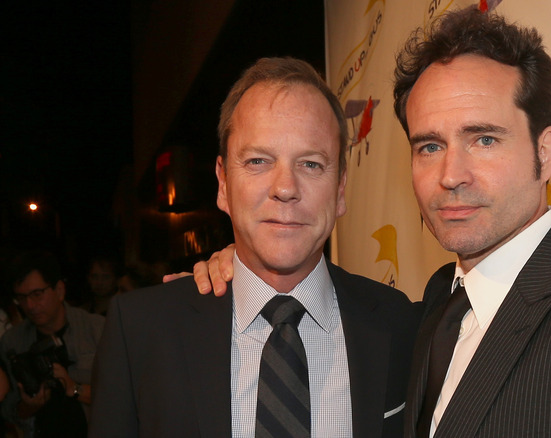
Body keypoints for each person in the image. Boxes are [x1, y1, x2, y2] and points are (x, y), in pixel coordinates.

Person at [192, 7, 551, 437]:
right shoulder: (436, 307)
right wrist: (247, 270)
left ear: (546, 151)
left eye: (484, 139)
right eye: (430, 145)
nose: (451, 174)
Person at [89, 57, 421, 437]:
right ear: (223, 184)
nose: (285, 188)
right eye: (259, 161)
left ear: (341, 189)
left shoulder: (402, 326)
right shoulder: (141, 332)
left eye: (311, 164)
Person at [0, 250, 104, 438]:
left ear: (59, 290)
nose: (30, 305)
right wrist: (29, 406)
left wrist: (73, 388)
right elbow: (9, 411)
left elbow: (122, 395)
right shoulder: (13, 341)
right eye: (22, 298)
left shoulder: (97, 330)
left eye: (37, 294)